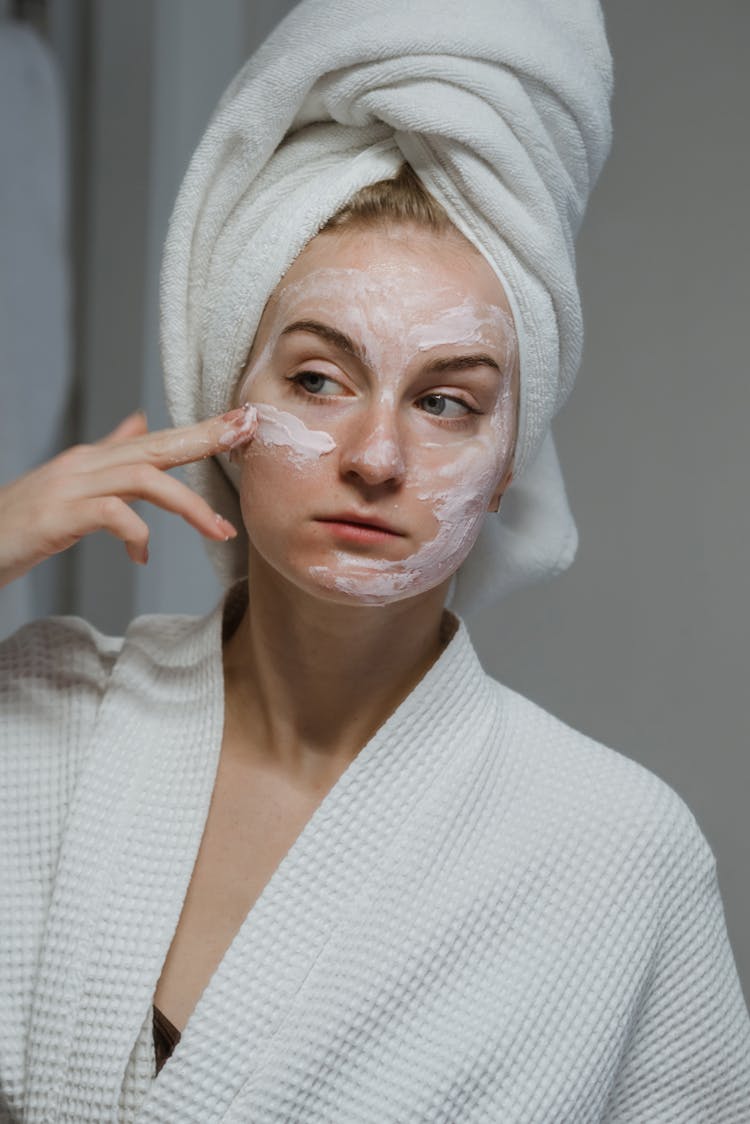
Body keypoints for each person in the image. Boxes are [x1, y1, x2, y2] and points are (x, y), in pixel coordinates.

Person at [2, 2, 750, 1122]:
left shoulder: (621, 856)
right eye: (317, 378)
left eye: (448, 401)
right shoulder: (41, 711)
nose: (376, 455)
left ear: (507, 464)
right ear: (226, 404)